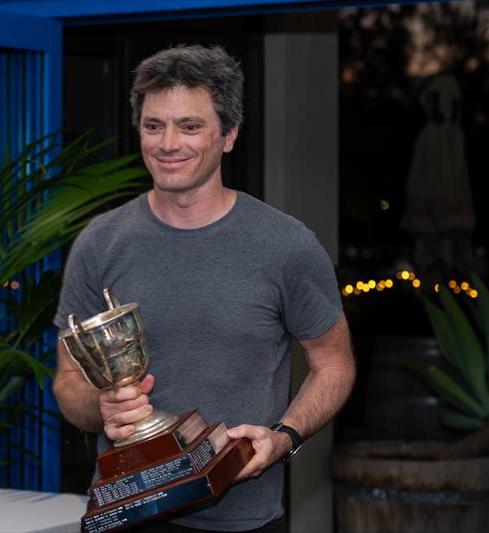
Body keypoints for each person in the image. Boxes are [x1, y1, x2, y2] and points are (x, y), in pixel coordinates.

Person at [53, 44, 355, 533]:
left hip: (243, 518)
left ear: (228, 135)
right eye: (154, 126)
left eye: (189, 126)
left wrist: (284, 438)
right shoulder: (100, 242)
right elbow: (69, 382)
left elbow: (334, 364)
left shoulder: (287, 245)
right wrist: (101, 406)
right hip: (124, 512)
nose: (167, 142)